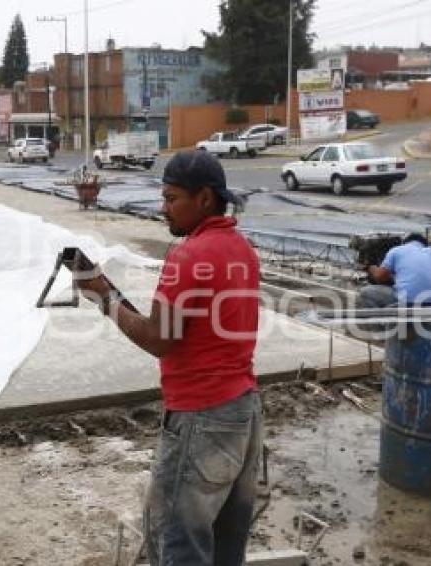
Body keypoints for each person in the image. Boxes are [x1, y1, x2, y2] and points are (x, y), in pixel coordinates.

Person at [76, 150, 263, 565]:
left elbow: (161, 339)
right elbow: (187, 328)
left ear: (205, 199)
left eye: (172, 198)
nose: (164, 209)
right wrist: (112, 295)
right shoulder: (242, 250)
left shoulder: (188, 256)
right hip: (243, 414)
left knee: (178, 545)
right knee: (225, 546)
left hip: (202, 418)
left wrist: (103, 299)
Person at [359, 232, 431, 309]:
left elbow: (379, 277)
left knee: (364, 292)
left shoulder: (397, 250)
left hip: (406, 303)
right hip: (430, 303)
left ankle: (381, 321)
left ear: (404, 243)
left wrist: (371, 268)